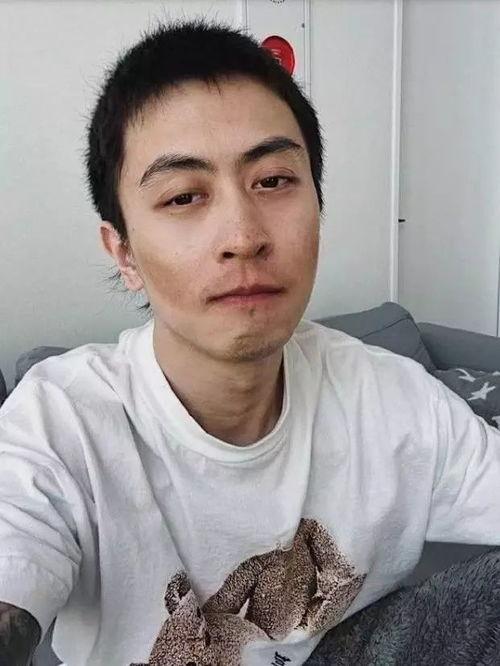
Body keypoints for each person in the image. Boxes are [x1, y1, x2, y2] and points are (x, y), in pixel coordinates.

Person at [1, 18, 500, 666]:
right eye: (184, 196)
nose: (243, 236)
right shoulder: (61, 426)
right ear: (123, 252)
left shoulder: (396, 401)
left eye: (273, 181)